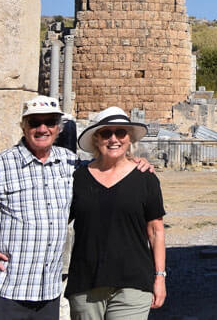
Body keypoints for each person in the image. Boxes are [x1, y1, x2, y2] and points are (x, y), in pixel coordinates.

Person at [0, 96, 153, 320]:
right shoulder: (0, 166)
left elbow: (106, 169)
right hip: (4, 289)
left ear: (58, 127)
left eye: (49, 122)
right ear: (23, 126)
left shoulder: (70, 164)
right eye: (34, 122)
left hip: (46, 294)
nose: (42, 128)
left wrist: (134, 163)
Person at [65, 107, 167, 319]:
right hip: (86, 282)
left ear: (129, 139)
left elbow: (156, 231)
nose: (113, 139)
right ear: (96, 139)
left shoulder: (145, 178)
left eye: (120, 132)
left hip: (133, 283)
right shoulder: (78, 179)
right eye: (106, 133)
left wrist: (160, 277)